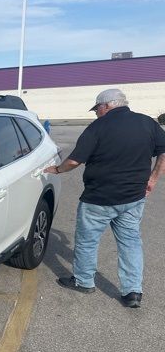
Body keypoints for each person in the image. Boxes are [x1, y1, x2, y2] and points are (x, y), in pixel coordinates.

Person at [44, 88, 165, 308]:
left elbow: (74, 161)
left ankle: (83, 281)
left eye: (97, 109)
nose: (96, 114)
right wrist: (153, 179)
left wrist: (57, 170)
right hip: (133, 198)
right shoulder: (147, 123)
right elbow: (163, 151)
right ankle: (132, 292)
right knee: (130, 243)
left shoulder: (98, 127)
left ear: (106, 106)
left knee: (87, 242)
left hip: (98, 199)